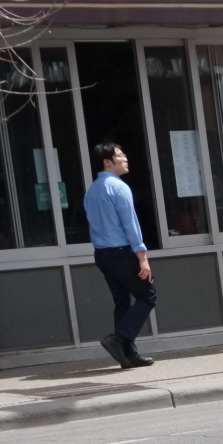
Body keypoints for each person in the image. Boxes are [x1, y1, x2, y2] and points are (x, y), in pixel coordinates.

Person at [85, 142, 157, 369]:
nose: (125, 158)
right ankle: (118, 339)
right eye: (120, 154)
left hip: (103, 255)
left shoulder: (92, 190)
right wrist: (142, 257)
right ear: (107, 162)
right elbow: (131, 225)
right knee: (147, 296)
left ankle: (127, 354)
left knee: (122, 302)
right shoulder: (119, 188)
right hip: (121, 253)